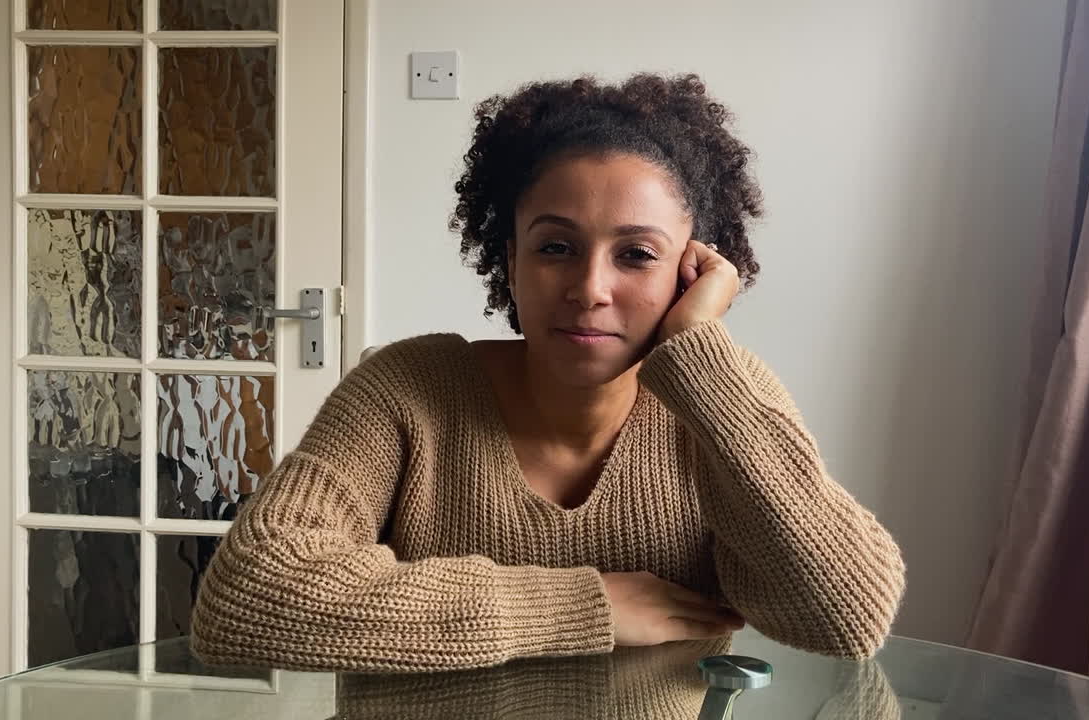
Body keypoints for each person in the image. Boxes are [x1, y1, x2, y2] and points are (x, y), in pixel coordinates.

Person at [190, 73, 905, 674]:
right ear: (511, 262)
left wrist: (699, 354)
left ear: (692, 272)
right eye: (556, 247)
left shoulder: (721, 401)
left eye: (637, 255)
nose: (590, 288)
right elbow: (247, 597)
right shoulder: (408, 388)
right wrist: (582, 607)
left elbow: (848, 617)